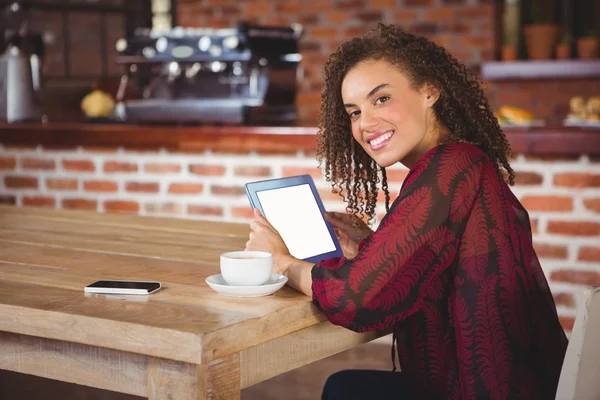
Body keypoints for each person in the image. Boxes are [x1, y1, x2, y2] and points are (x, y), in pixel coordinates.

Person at [245, 23, 568, 399]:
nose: (365, 123)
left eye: (381, 99)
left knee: (345, 390)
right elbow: (431, 266)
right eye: (353, 112)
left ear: (429, 90)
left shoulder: (452, 166)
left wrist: (281, 263)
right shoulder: (456, 163)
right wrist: (368, 248)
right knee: (345, 386)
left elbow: (359, 301)